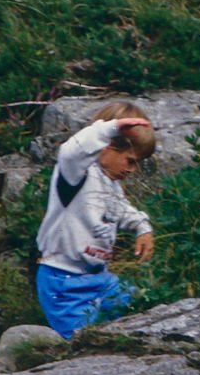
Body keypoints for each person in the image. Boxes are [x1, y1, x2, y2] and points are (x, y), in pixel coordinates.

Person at [35, 101, 157, 339]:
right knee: (80, 340)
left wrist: (142, 227)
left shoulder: (110, 182)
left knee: (139, 307)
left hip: (99, 278)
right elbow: (70, 151)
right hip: (63, 282)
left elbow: (121, 209)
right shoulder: (75, 174)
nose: (133, 170)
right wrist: (110, 128)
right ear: (106, 147)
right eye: (130, 160)